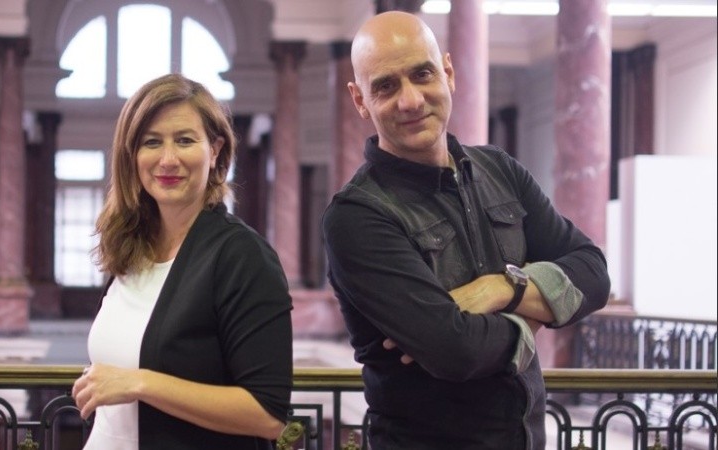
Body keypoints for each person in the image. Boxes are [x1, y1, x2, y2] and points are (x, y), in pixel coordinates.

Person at [321, 11, 611, 450]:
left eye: (422, 74)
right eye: (386, 86)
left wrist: (503, 289)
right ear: (360, 100)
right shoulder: (356, 216)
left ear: (449, 73)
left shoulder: (500, 170)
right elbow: (455, 351)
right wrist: (535, 315)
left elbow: (594, 274)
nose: (411, 100)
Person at [71, 73, 293, 450]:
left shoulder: (241, 255)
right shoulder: (132, 249)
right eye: (151, 142)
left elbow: (267, 415)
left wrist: (140, 382)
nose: (168, 159)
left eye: (185, 140)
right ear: (132, 155)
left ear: (215, 150)